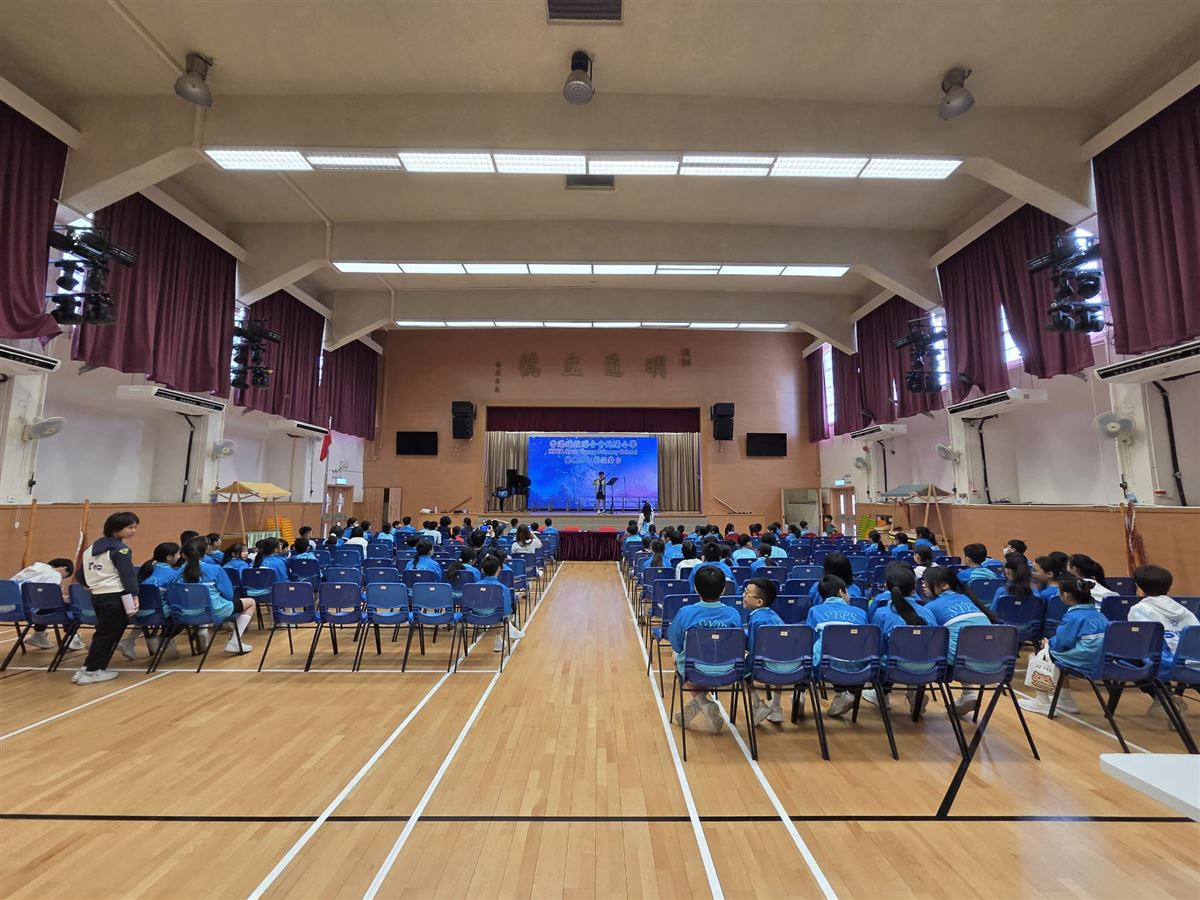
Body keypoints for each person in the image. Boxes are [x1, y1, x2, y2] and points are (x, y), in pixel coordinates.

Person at [1018, 574, 1110, 716]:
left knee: (1039, 655)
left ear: (1066, 595)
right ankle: (1065, 700)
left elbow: (1061, 643)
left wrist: (1048, 644)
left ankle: (1042, 702)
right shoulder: (1100, 615)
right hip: (1099, 660)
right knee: (1055, 656)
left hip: (1084, 660)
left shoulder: (1073, 616)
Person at [669, 566, 743, 734]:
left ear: (695, 588)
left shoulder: (686, 612)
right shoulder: (733, 613)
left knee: (677, 655)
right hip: (729, 669)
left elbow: (675, 641)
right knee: (707, 661)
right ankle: (701, 704)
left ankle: (703, 702)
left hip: (695, 669)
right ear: (723, 589)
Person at [923, 566, 1002, 712]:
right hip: (993, 663)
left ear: (944, 585)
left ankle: (915, 696)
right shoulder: (967, 599)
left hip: (959, 667)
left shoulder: (931, 607)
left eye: (927, 582)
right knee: (964, 642)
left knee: (924, 645)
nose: (923, 585)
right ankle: (968, 693)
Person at [74, 511, 140, 684]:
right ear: (116, 528)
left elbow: (80, 574)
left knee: (103, 633)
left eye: (135, 527)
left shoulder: (90, 549)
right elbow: (128, 575)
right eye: (130, 527)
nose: (133, 531)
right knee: (107, 634)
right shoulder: (121, 550)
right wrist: (134, 594)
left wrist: (89, 585)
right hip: (115, 596)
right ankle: (92, 671)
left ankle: (88, 667)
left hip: (97, 596)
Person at [863, 563, 937, 712]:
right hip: (929, 668)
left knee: (880, 654)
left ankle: (882, 695)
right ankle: (914, 692)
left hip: (895, 668)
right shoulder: (928, 612)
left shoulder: (882, 614)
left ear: (886, 586)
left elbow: (876, 647)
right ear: (913, 589)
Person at [1129, 564, 1199, 717]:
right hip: (1193, 663)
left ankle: (1164, 696)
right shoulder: (1185, 611)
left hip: (1165, 665)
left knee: (1130, 658)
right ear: (1170, 587)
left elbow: (1143, 645)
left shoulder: (1138, 610)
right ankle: (1167, 698)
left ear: (1138, 586)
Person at [178, 538, 254, 655]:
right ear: (204, 554)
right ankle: (235, 641)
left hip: (184, 612)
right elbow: (228, 594)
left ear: (183, 555)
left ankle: (202, 629)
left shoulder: (175, 573)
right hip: (214, 610)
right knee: (250, 603)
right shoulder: (215, 569)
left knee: (200, 604)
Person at [807, 574, 869, 716]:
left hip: (825, 666)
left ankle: (799, 698)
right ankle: (848, 693)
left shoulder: (815, 611)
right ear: (841, 592)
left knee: (809, 655)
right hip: (860, 666)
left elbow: (809, 639)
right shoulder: (861, 613)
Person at [119, 541, 184, 661]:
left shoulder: (147, 569)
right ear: (169, 557)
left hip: (138, 611)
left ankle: (130, 641)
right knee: (182, 613)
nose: (180, 556)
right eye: (178, 554)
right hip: (157, 613)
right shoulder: (174, 574)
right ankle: (163, 638)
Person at [10, 557, 86, 651]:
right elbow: (49, 597)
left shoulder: (29, 570)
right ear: (64, 569)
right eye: (64, 576)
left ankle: (39, 635)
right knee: (70, 606)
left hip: (10, 609)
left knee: (43, 604)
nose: (61, 579)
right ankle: (71, 638)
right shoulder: (55, 574)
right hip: (27, 610)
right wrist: (64, 599)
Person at [742, 577, 788, 725]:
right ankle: (776, 707)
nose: (743, 595)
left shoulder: (757, 620)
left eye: (747, 593)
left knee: (740, 668)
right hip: (790, 667)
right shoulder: (777, 617)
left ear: (759, 602)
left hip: (765, 668)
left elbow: (753, 650)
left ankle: (757, 705)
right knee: (778, 657)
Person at [474, 554, 525, 652]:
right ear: (499, 569)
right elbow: (506, 611)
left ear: (482, 570)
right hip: (495, 616)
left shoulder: (473, 586)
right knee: (501, 613)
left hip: (474, 616)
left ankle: (508, 631)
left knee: (495, 610)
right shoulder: (503, 588)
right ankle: (500, 638)